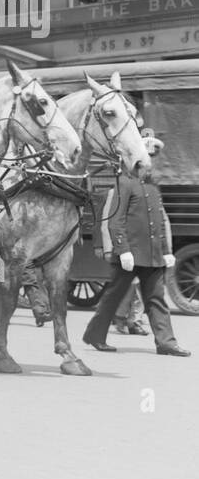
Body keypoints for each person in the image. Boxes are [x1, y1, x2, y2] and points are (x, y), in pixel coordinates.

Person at [82, 140, 189, 357]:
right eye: (150, 160)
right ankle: (95, 335)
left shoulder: (152, 187)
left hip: (152, 255)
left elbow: (159, 223)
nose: (153, 165)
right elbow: (115, 221)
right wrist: (123, 250)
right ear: (139, 162)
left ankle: (166, 342)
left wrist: (166, 251)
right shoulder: (124, 183)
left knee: (157, 299)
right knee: (113, 298)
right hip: (130, 255)